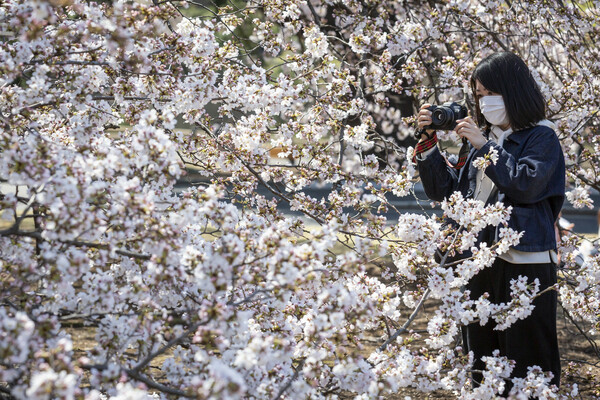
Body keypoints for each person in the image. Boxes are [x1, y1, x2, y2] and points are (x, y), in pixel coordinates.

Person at [414, 51, 564, 395]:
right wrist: (428, 145)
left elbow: (526, 185)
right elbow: (447, 193)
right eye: (478, 96)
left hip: (524, 259)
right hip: (477, 256)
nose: (482, 104)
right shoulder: (481, 138)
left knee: (528, 355)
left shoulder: (541, 138)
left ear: (512, 91)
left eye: (489, 94)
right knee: (482, 351)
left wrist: (484, 147)